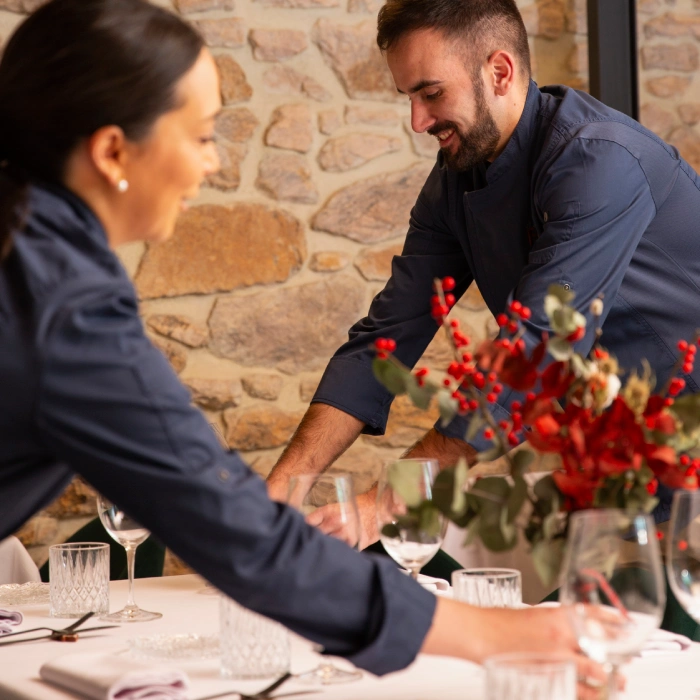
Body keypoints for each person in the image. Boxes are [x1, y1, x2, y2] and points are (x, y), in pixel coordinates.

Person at [0, 0, 605, 686]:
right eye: (200, 135)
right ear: (113, 151)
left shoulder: (31, 257)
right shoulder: (64, 306)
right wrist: (510, 630)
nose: (213, 162)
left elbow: (520, 352)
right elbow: (243, 535)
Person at [266, 0, 700, 543]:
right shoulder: (457, 182)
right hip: (617, 474)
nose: (417, 122)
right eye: (410, 98)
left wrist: (381, 505)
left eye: (431, 93)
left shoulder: (600, 161)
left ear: (500, 72)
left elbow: (537, 351)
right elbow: (385, 338)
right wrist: (285, 485)